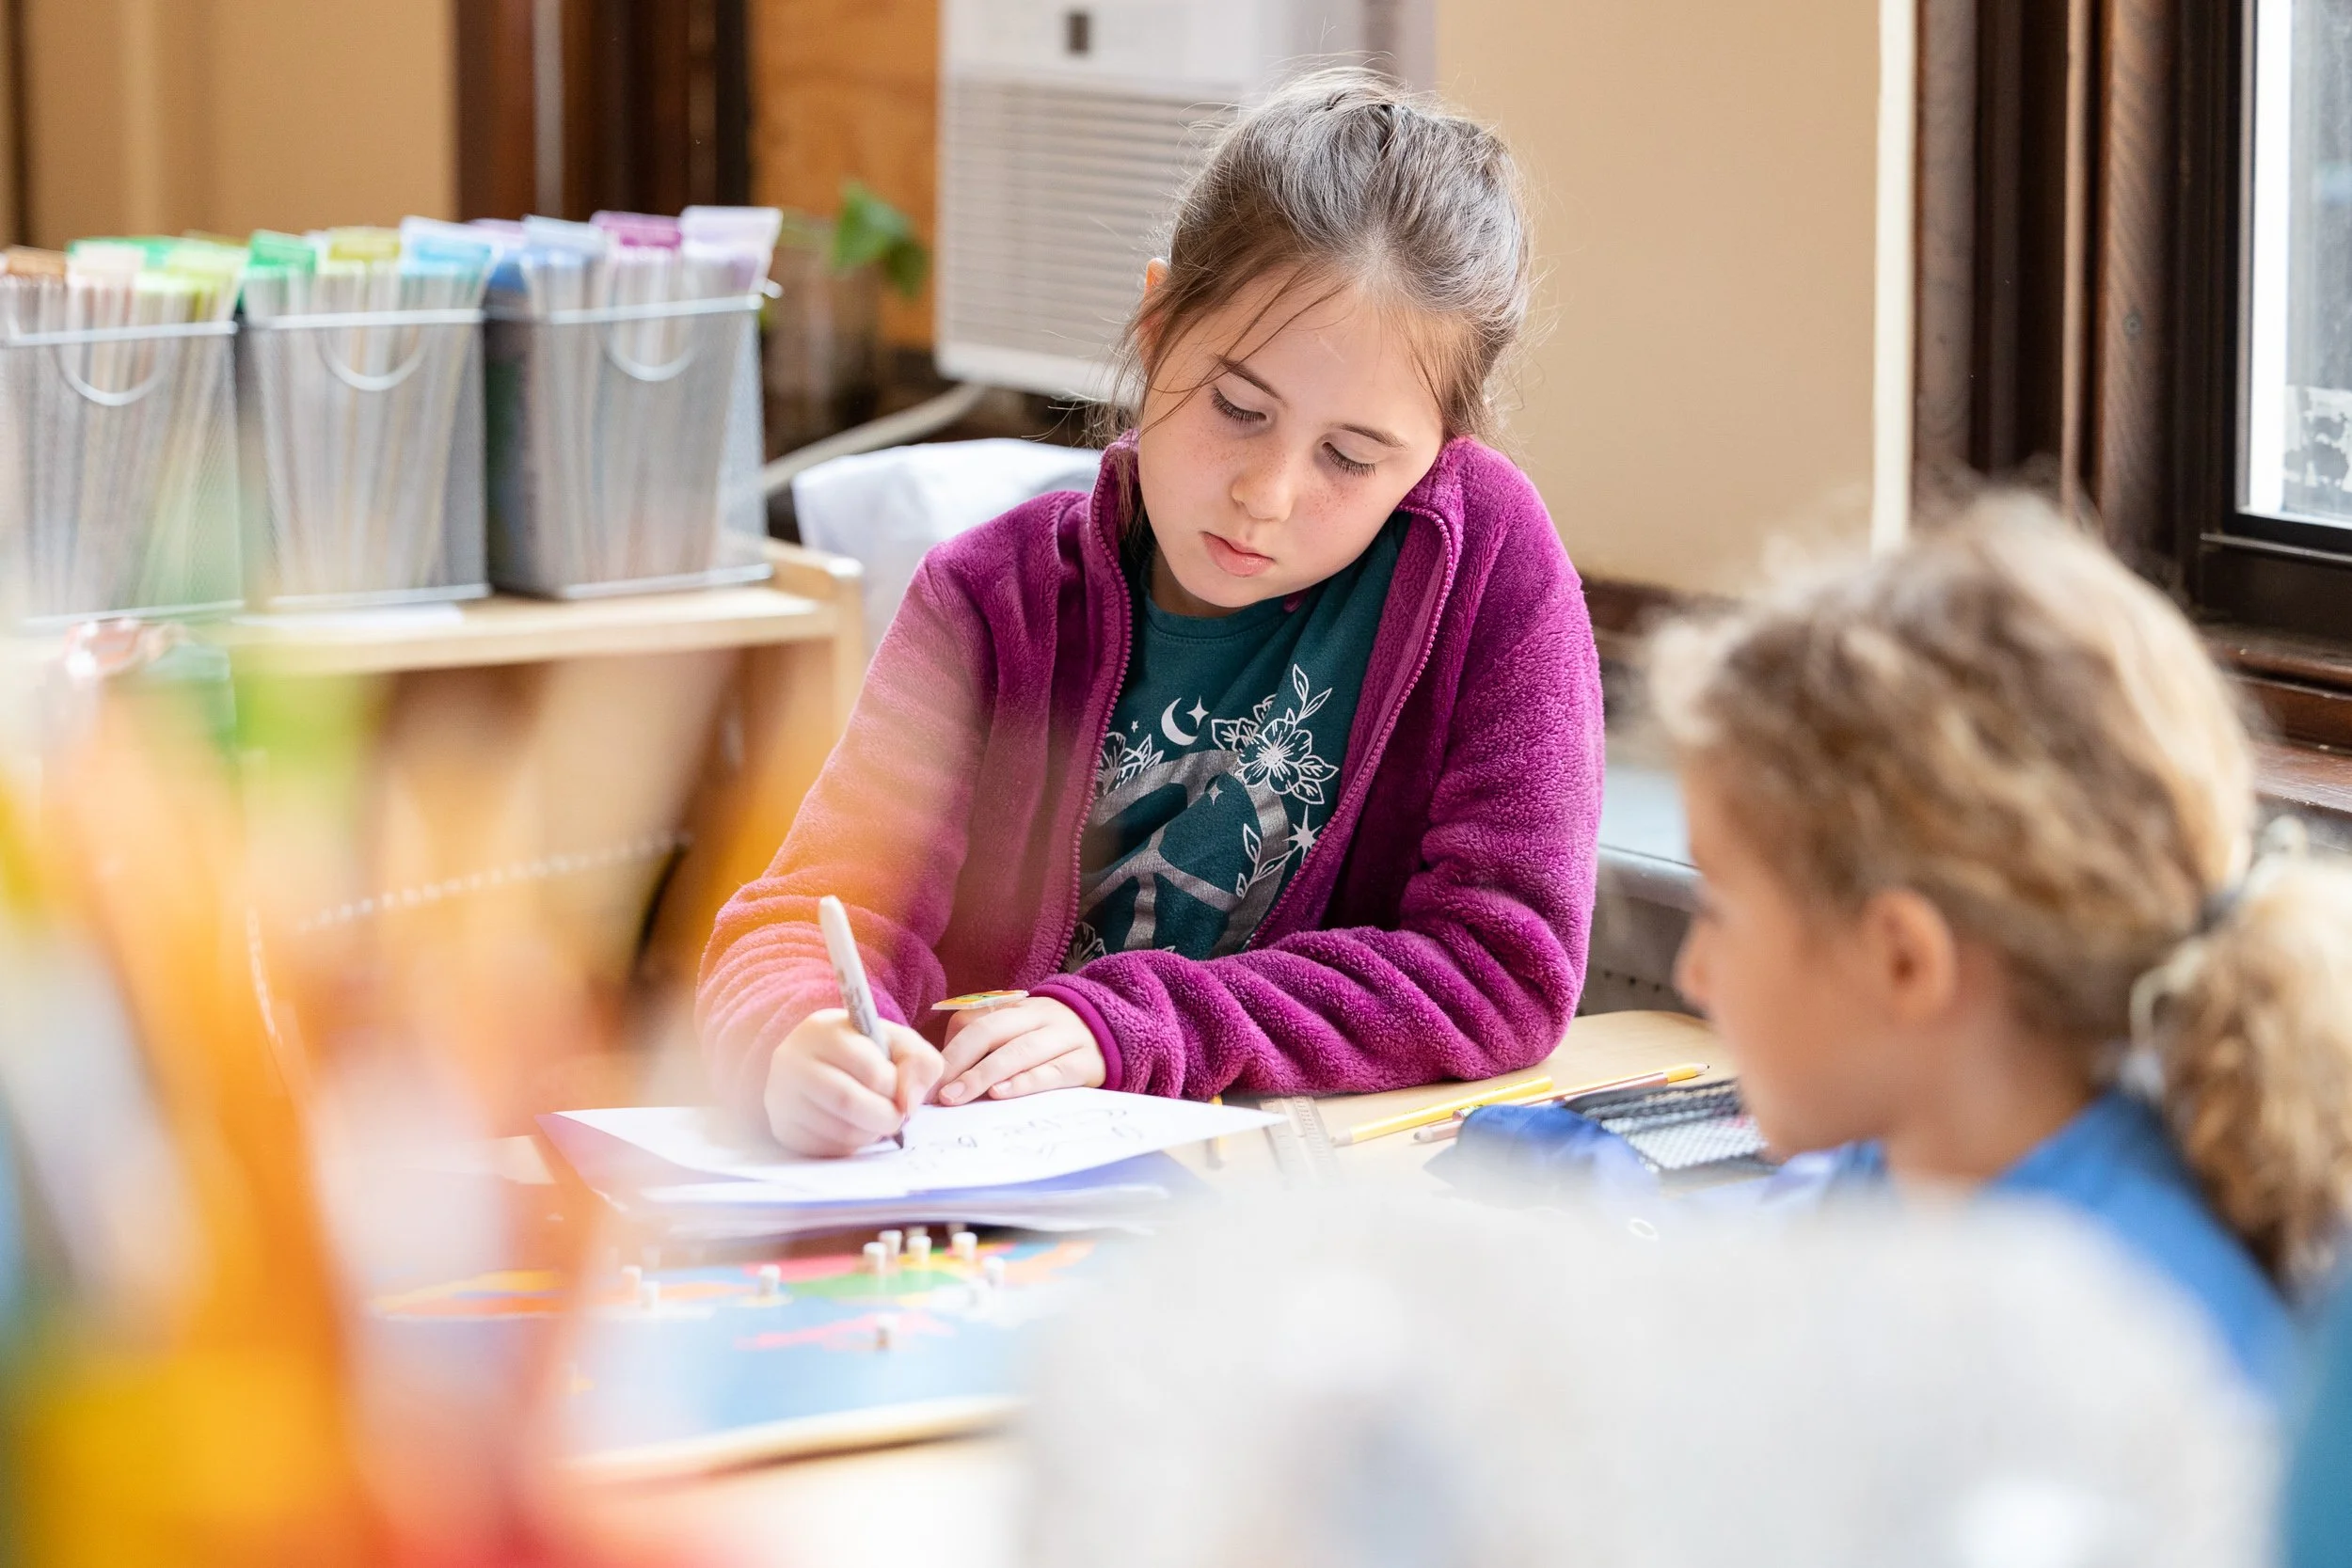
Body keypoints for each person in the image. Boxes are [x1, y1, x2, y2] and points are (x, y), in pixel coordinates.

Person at [700, 70, 1605, 1155]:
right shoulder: (989, 603)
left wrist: (1134, 1022)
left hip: (1303, 1207)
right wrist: (801, 1041)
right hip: (1001, 1203)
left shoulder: (1485, 564)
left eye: (1351, 458)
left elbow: (1497, 967)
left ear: (1441, 453)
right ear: (1156, 317)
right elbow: (799, 921)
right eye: (1235, 406)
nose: (1266, 495)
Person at [1446, 497, 2352, 1401]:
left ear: (1905, 962)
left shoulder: (2082, 1338)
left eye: (1720, 910)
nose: (1694, 973)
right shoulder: (1921, 1159)